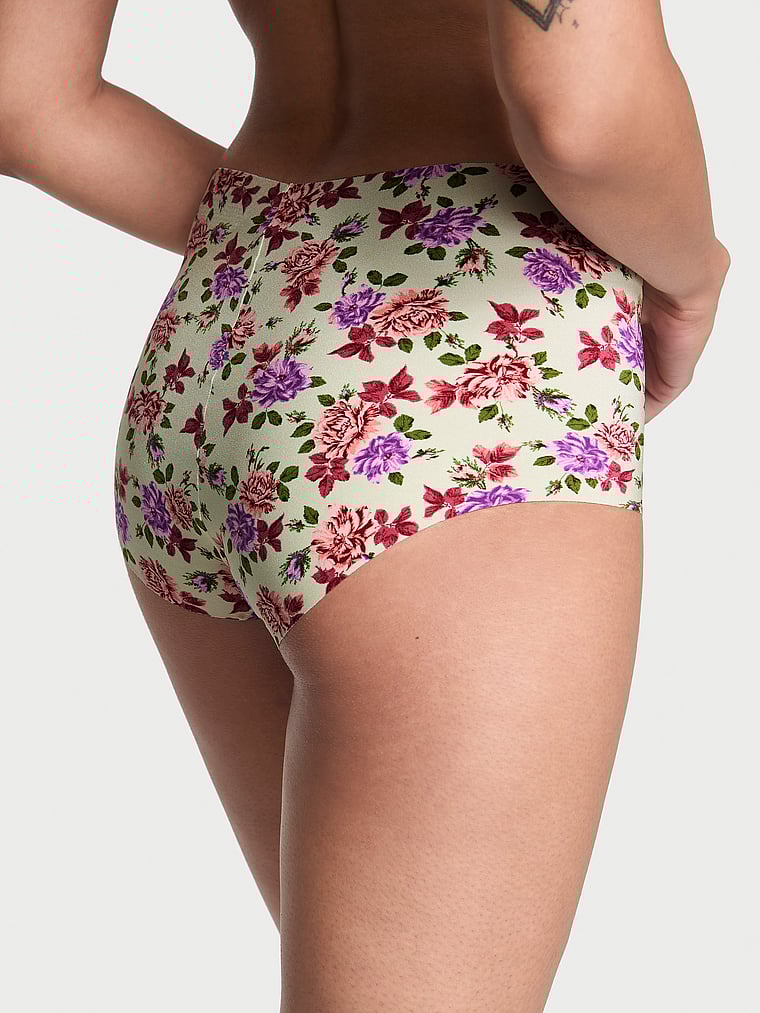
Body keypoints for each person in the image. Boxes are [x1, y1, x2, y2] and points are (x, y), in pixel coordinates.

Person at [1, 1, 730, 1009]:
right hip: (462, 361)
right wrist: (692, 275)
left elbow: (26, 98)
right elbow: (580, 112)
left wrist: (292, 241)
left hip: (216, 336)